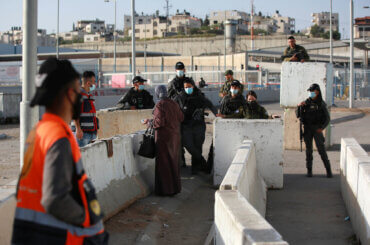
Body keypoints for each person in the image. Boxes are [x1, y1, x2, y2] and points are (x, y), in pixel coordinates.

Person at [12, 58, 108, 244]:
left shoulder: (38, 132)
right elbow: (54, 199)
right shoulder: (58, 138)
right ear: (69, 95)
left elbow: (22, 188)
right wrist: (86, 219)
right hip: (53, 236)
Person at [144, 85, 184, 196]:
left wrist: (149, 122)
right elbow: (181, 117)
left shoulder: (160, 104)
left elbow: (159, 123)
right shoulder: (174, 103)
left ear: (157, 93)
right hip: (175, 138)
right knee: (173, 163)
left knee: (164, 165)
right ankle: (175, 189)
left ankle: (165, 190)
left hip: (163, 139)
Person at [174, 79, 217, 174]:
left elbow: (210, 105)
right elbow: (172, 106)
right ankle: (203, 163)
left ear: (193, 86)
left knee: (198, 146)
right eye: (186, 87)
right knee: (188, 145)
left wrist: (218, 115)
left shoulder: (199, 96)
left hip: (199, 125)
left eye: (189, 86)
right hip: (185, 126)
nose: (187, 89)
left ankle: (196, 168)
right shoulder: (180, 97)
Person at [296, 83, 332, 178]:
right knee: (308, 151)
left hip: (317, 129)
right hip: (307, 128)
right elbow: (298, 115)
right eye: (310, 91)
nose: (311, 93)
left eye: (313, 91)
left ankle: (328, 170)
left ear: (317, 92)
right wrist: (299, 106)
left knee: (321, 150)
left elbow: (327, 118)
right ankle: (309, 170)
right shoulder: (306, 102)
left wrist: (322, 128)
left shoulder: (321, 104)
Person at [74, 71, 99, 147]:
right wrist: (78, 129)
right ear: (88, 83)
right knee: (82, 157)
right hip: (83, 134)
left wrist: (95, 130)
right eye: (94, 82)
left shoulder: (90, 95)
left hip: (92, 134)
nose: (95, 84)